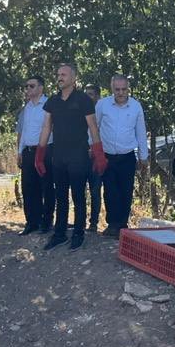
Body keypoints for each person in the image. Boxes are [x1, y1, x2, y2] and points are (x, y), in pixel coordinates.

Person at [33, 63, 105, 252]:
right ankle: (59, 234)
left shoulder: (83, 100)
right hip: (58, 156)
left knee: (79, 196)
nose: (60, 77)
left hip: (78, 156)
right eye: (58, 74)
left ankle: (79, 234)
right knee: (61, 196)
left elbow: (93, 127)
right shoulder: (53, 101)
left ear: (73, 78)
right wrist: (40, 155)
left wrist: (99, 154)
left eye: (64, 74)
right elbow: (46, 127)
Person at [94, 74, 148, 237]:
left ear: (128, 89)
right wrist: (93, 150)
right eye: (117, 89)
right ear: (112, 89)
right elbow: (94, 127)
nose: (121, 92)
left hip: (127, 156)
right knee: (110, 191)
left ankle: (123, 226)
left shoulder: (135, 106)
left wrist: (143, 156)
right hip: (106, 156)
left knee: (126, 190)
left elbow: (140, 131)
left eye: (124, 89)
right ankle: (112, 225)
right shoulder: (102, 105)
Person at [16, 75, 52, 235]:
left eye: (31, 86)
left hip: (45, 151)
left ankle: (46, 222)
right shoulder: (27, 107)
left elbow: (53, 129)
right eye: (27, 86)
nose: (28, 89)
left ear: (40, 88)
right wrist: (19, 151)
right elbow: (24, 131)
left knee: (46, 187)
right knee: (29, 188)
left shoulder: (49, 105)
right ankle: (32, 222)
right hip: (28, 152)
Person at [84, 84, 106, 232]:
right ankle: (80, 220)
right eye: (87, 94)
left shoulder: (103, 112)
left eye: (91, 94)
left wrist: (95, 150)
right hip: (82, 155)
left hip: (97, 155)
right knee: (79, 189)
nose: (88, 97)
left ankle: (93, 222)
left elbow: (103, 134)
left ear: (97, 96)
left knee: (95, 189)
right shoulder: (81, 111)